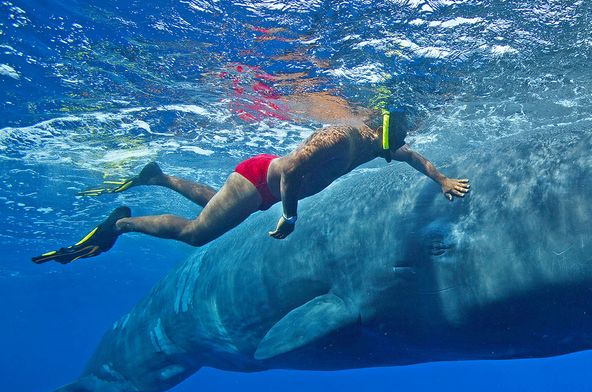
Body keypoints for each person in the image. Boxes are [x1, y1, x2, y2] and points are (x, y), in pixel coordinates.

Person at [32, 106, 469, 265]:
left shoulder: (379, 148)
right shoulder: (345, 136)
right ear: (386, 123)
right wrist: (290, 214)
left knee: (214, 205)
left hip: (261, 188)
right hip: (263, 176)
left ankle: (157, 177)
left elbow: (415, 158)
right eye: (407, 128)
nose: (409, 139)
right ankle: (120, 226)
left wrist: (443, 178)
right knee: (196, 234)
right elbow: (295, 167)